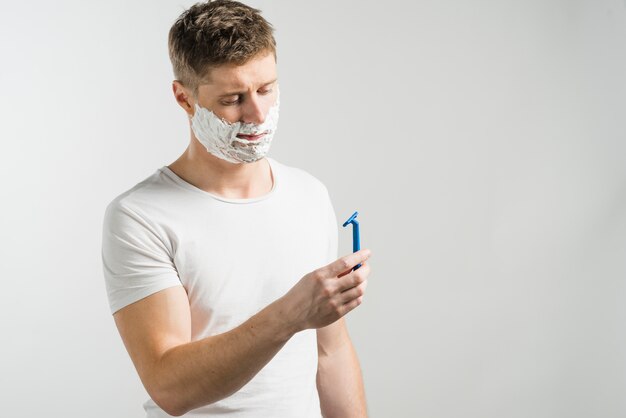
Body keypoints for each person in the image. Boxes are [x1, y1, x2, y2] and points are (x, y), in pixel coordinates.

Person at [101, 1, 372, 416]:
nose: (257, 114)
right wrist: (291, 313)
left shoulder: (308, 194)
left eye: (266, 89)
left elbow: (330, 355)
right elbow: (169, 387)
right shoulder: (141, 217)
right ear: (184, 97)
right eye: (232, 99)